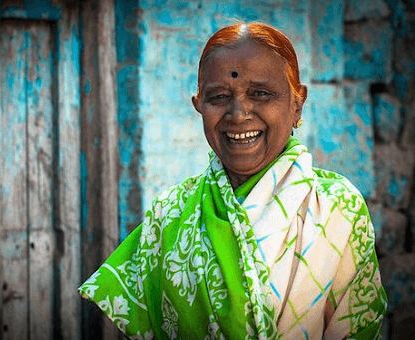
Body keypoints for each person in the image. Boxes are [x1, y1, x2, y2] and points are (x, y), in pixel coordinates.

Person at [78, 22, 387, 339]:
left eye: (261, 94)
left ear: (297, 103)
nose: (238, 114)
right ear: (199, 105)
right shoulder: (168, 214)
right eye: (220, 96)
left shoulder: (339, 208)